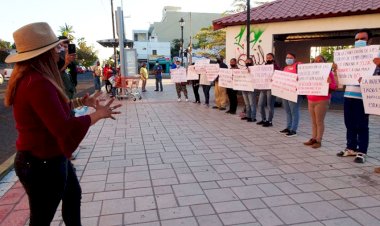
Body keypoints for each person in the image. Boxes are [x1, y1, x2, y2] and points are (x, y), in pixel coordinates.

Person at [3, 22, 122, 226]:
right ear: (46, 53)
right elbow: (64, 128)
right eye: (57, 48)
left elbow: (51, 112)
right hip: (41, 164)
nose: (60, 52)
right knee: (41, 219)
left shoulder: (33, 78)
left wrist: (80, 102)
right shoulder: (37, 83)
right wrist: (98, 115)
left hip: (48, 158)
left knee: (73, 197)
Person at [336, 29, 378, 163]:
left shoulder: (376, 55)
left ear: (369, 40)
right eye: (357, 39)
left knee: (362, 125)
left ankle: (362, 151)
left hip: (364, 97)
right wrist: (337, 68)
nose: (359, 41)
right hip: (348, 95)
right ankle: (351, 147)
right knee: (349, 123)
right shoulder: (349, 56)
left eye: (363, 38)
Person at [303, 55, 337, 148]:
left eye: (320, 60)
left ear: (324, 63)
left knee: (319, 121)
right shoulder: (310, 73)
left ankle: (318, 140)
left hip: (322, 100)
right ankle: (313, 138)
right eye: (316, 60)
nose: (317, 62)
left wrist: (329, 83)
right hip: (310, 100)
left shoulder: (329, 73)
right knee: (313, 121)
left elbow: (334, 86)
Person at [280, 53, 301, 137]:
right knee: (288, 111)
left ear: (294, 59)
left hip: (295, 92)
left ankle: (293, 129)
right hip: (286, 92)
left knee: (294, 111)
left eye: (290, 57)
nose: (288, 59)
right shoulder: (285, 68)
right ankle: (288, 127)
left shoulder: (298, 65)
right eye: (287, 57)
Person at [257, 53, 280, 127]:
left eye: (270, 58)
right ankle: (263, 119)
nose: (268, 59)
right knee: (260, 105)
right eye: (267, 58)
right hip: (263, 88)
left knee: (270, 105)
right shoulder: (264, 67)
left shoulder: (276, 67)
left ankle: (269, 121)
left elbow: (278, 75)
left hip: (271, 89)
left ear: (273, 58)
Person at [241, 58, 258, 122]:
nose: (247, 62)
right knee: (247, 104)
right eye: (246, 61)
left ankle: (253, 117)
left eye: (249, 61)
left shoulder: (255, 69)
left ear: (252, 62)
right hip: (244, 88)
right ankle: (248, 116)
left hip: (251, 89)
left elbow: (257, 77)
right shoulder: (243, 69)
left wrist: (251, 72)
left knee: (252, 103)